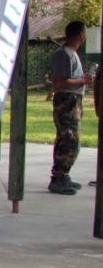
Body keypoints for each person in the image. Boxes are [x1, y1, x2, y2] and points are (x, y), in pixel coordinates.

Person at [48, 20, 92, 195]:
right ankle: (58, 177)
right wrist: (83, 80)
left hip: (73, 100)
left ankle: (63, 175)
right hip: (67, 101)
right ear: (80, 34)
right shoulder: (64, 54)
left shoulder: (72, 54)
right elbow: (59, 81)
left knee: (68, 138)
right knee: (69, 139)